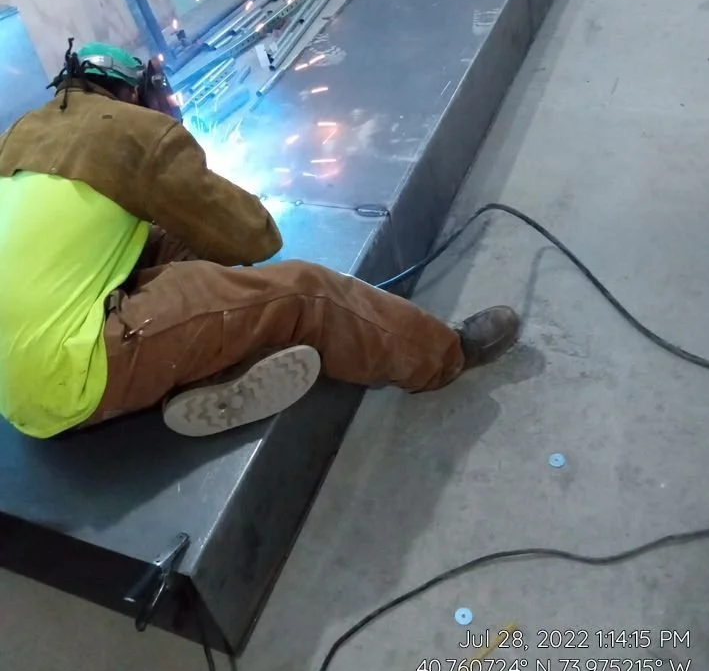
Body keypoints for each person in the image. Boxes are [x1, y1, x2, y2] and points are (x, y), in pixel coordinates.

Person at [0, 41, 520, 440]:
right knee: (305, 293)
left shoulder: (23, 131)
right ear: (135, 92)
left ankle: (209, 354)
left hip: (15, 390)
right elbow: (253, 237)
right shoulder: (135, 131)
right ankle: (444, 356)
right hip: (69, 376)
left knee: (175, 245)